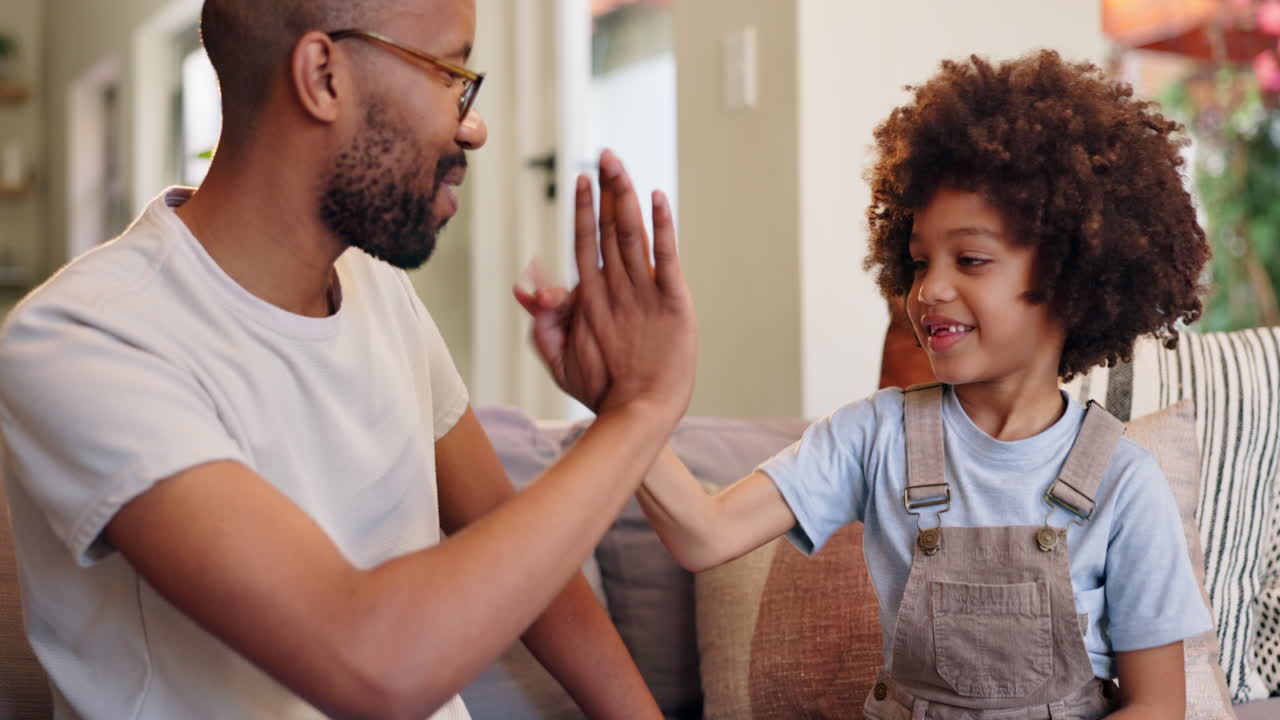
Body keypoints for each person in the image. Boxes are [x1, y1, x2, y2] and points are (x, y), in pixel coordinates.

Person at [0, 0, 696, 718]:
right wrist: (638, 413)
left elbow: (524, 560)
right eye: (450, 73)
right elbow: (372, 667)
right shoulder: (81, 337)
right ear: (323, 77)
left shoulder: (379, 293)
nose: (474, 125)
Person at [528, 50, 1213, 718]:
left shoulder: (1125, 485)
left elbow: (1157, 705)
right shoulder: (876, 436)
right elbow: (704, 536)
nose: (930, 290)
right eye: (918, 263)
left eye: (970, 259)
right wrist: (625, 402)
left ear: (1074, 279)